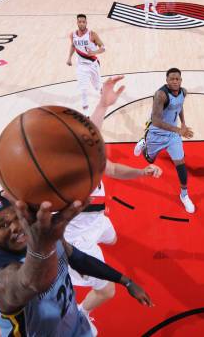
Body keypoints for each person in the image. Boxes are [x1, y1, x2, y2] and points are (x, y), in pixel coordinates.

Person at [0, 190, 152, 337]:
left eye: (17, 218)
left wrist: (125, 280)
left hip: (74, 324)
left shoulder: (44, 236)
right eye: (2, 226)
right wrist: (40, 251)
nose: (15, 227)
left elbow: (78, 259)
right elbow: (22, 286)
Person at [64, 76, 162, 335]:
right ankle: (81, 313)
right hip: (76, 239)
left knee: (114, 238)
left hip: (97, 222)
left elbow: (115, 168)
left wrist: (143, 172)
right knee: (107, 290)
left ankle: (101, 238)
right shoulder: (58, 179)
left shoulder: (91, 158)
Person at [133, 68, 195, 213]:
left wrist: (183, 123)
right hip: (156, 133)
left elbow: (179, 107)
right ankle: (144, 144)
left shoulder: (183, 92)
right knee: (149, 160)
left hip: (172, 135)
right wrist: (179, 130)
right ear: (166, 81)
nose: (175, 81)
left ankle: (184, 195)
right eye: (172, 79)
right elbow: (155, 121)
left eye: (177, 79)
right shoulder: (160, 95)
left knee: (180, 162)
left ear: (181, 80)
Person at [67, 14, 105, 113]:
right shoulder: (73, 35)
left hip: (93, 64)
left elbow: (103, 48)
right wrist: (69, 58)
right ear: (77, 23)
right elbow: (73, 46)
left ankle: (101, 89)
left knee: (97, 86)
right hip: (81, 66)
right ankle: (86, 113)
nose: (82, 23)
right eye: (80, 22)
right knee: (83, 89)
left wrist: (94, 52)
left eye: (83, 22)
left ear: (86, 23)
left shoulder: (92, 34)